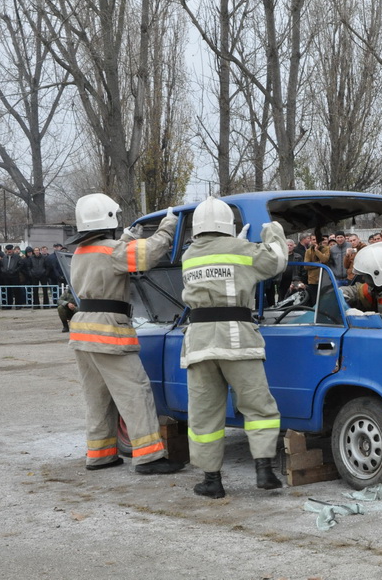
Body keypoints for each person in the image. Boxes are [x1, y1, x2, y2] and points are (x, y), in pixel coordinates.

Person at [68, 193, 184, 473]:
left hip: (83, 333)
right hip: (108, 331)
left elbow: (111, 259)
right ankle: (149, 458)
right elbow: (150, 253)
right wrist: (168, 227)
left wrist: (127, 238)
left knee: (98, 398)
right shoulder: (112, 251)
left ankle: (100, 455)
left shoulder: (82, 251)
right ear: (109, 219)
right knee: (135, 392)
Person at [180, 196, 288, 499]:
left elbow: (217, 267)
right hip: (237, 340)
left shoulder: (189, 255)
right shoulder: (241, 249)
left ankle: (211, 480)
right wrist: (272, 230)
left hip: (199, 342)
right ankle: (264, 470)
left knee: (205, 413)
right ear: (228, 224)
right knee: (258, 405)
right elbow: (277, 260)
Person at [304, 233, 331, 305]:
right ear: (311, 240)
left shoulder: (326, 249)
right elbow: (306, 266)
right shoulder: (308, 251)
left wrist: (317, 251)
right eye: (313, 239)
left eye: (317, 239)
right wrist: (319, 263)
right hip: (312, 280)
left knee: (324, 301)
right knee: (314, 301)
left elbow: (324, 259)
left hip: (324, 280)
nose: (315, 241)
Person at [0, 244, 24, 309]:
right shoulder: (4, 257)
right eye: (8, 250)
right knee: (8, 291)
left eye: (10, 250)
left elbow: (20, 265)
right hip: (6, 276)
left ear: (12, 250)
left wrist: (15, 271)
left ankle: (18, 305)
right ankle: (9, 305)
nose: (9, 251)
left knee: (16, 291)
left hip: (15, 276)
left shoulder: (17, 257)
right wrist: (4, 271)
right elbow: (1, 266)